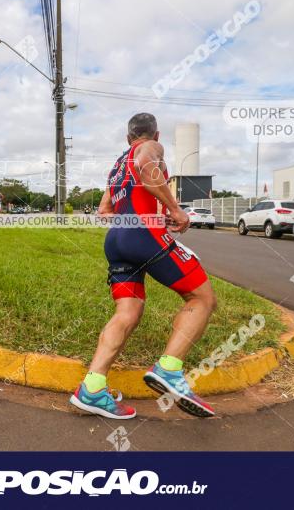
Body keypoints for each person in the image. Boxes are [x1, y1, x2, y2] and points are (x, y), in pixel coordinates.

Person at [69, 112, 217, 419]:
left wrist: (148, 217)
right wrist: (175, 210)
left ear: (127, 138)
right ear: (156, 135)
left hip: (117, 241)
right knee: (202, 298)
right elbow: (149, 170)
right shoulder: (150, 148)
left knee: (128, 312)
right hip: (143, 237)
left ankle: (93, 388)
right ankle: (170, 369)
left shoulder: (116, 167)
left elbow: (105, 211)